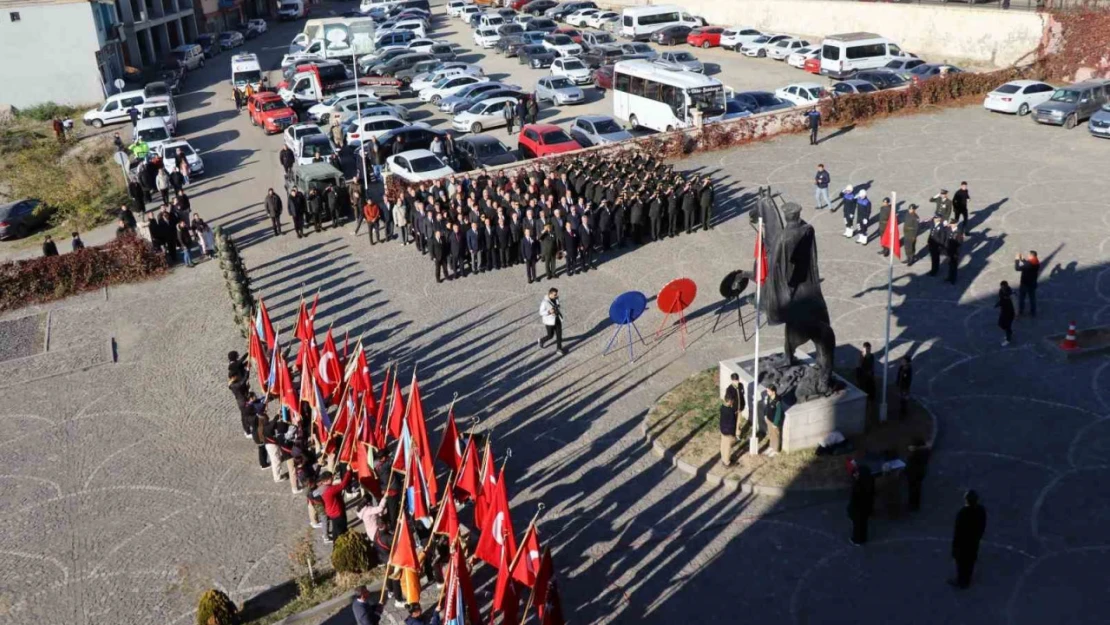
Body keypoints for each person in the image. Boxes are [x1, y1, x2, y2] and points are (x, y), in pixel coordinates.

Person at [949, 490, 987, 589]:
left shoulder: (963, 513)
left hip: (963, 541)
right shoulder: (980, 511)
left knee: (961, 561)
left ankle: (961, 580)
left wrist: (955, 545)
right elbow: (982, 526)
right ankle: (967, 579)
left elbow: (958, 530)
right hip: (973, 540)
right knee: (970, 559)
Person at [320, 467, 354, 542]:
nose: (332, 479)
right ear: (326, 480)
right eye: (331, 478)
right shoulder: (330, 490)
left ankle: (335, 542)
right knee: (341, 530)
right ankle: (342, 543)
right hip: (337, 513)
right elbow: (343, 485)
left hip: (331, 512)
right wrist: (348, 472)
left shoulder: (322, 487)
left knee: (335, 529)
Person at [848, 466, 875, 546]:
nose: (856, 474)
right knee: (863, 524)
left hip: (859, 509)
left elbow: (855, 499)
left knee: (858, 525)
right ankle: (863, 538)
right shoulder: (869, 481)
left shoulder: (859, 486)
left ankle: (857, 540)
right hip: (866, 508)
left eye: (857, 473)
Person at [905, 437, 930, 513]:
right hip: (920, 472)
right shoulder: (925, 452)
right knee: (917, 488)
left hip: (914, 473)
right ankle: (915, 504)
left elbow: (911, 461)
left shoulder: (917, 453)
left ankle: (912, 504)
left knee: (913, 488)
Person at [538, 287, 565, 354]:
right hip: (549, 322)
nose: (556, 296)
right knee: (550, 335)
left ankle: (559, 349)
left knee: (559, 335)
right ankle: (541, 340)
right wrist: (549, 312)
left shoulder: (555, 298)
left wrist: (557, 303)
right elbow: (541, 313)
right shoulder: (544, 302)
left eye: (556, 294)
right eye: (555, 294)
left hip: (557, 319)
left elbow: (558, 305)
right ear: (550, 294)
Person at [1014, 251, 1040, 317]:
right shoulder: (1037, 262)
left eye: (1029, 255)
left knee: (1022, 298)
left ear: (1032, 256)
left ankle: (1021, 311)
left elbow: (1017, 268)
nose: (1028, 256)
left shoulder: (1028, 264)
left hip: (1025, 284)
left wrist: (1017, 260)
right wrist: (1022, 259)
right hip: (1033, 283)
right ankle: (1033, 311)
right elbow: (1027, 264)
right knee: (1032, 298)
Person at [764, 384, 784, 456]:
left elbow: (778, 413)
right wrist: (765, 415)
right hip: (769, 419)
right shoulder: (769, 397)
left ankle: (776, 450)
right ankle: (771, 446)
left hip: (774, 422)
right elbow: (767, 407)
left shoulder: (778, 401)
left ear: (773, 392)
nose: (767, 393)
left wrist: (775, 423)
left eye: (768, 391)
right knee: (771, 434)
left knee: (775, 435)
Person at [719, 394, 738, 466]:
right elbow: (733, 423)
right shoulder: (730, 411)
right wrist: (733, 434)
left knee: (723, 444)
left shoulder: (722, 407)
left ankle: (723, 457)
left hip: (723, 430)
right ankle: (727, 462)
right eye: (732, 401)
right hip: (728, 432)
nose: (733, 402)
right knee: (728, 447)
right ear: (730, 401)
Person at [996, 281, 1015, 346]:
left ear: (1006, 286)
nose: (1002, 289)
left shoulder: (1011, 293)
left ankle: (1008, 339)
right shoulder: (1001, 291)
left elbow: (1015, 303)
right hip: (1004, 311)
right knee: (1000, 324)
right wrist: (998, 304)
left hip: (1010, 312)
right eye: (1002, 287)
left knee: (1007, 326)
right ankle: (1009, 333)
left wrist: (1017, 313)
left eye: (1004, 287)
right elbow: (1001, 299)